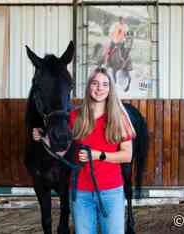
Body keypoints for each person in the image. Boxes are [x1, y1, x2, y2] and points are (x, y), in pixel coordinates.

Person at [33, 67, 135, 234]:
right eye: (95, 83)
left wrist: (98, 155)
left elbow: (127, 155)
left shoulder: (119, 118)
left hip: (111, 193)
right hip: (81, 194)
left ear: (110, 89)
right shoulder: (74, 117)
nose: (99, 88)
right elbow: (62, 153)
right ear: (89, 87)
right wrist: (43, 139)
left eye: (104, 84)